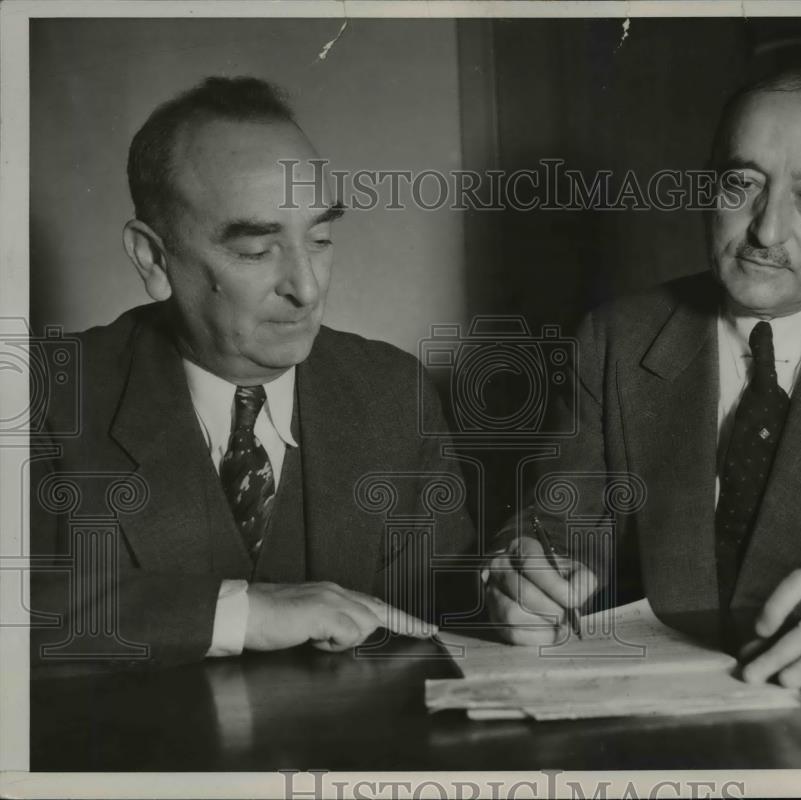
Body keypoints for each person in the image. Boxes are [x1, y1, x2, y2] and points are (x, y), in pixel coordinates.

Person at [485, 70, 801, 689]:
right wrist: (522, 576)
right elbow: (550, 533)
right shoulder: (613, 339)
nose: (766, 231)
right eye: (741, 184)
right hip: (649, 723)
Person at [30, 77, 475, 667]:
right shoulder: (45, 397)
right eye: (255, 251)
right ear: (154, 259)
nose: (307, 288)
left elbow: (441, 606)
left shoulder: (393, 391)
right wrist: (243, 612)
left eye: (319, 238)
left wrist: (506, 594)